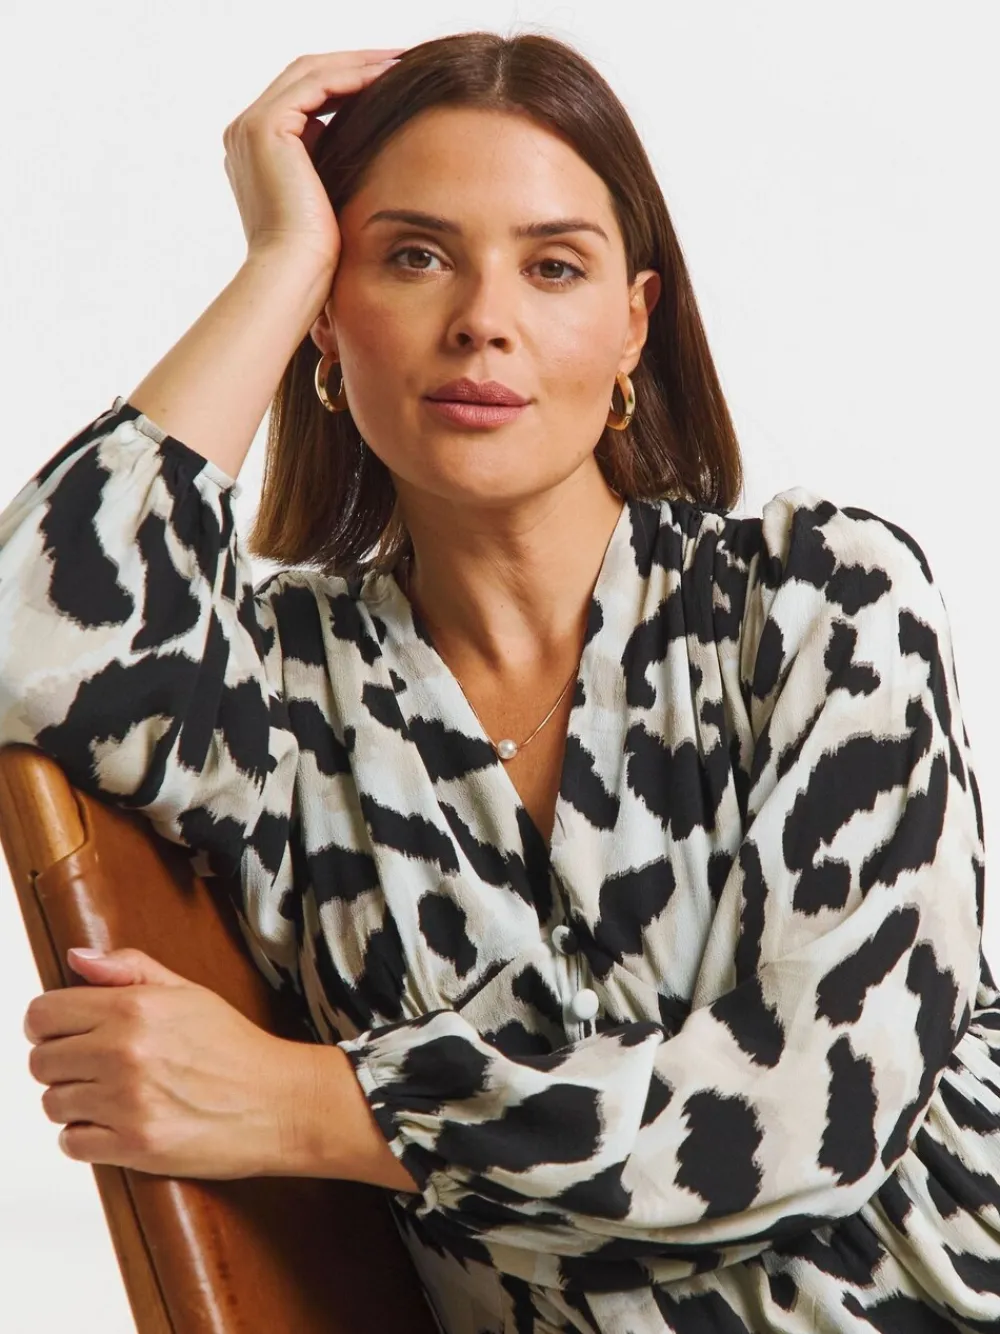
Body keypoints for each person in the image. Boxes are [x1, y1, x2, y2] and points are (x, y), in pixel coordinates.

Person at [2, 29, 999, 1334]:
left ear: (634, 322)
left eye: (553, 265)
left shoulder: (818, 599)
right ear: (327, 321)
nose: (483, 319)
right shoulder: (286, 696)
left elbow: (817, 1110)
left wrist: (303, 1104)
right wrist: (280, 257)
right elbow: (31, 640)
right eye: (413, 257)